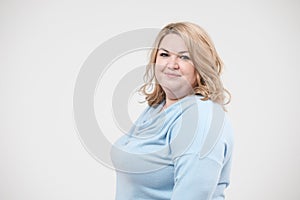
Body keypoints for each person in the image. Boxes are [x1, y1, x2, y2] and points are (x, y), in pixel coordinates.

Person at [111, 22, 234, 200]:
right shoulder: (157, 108)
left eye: (185, 57)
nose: (172, 64)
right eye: (164, 54)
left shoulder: (199, 116)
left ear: (201, 66)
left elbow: (193, 195)